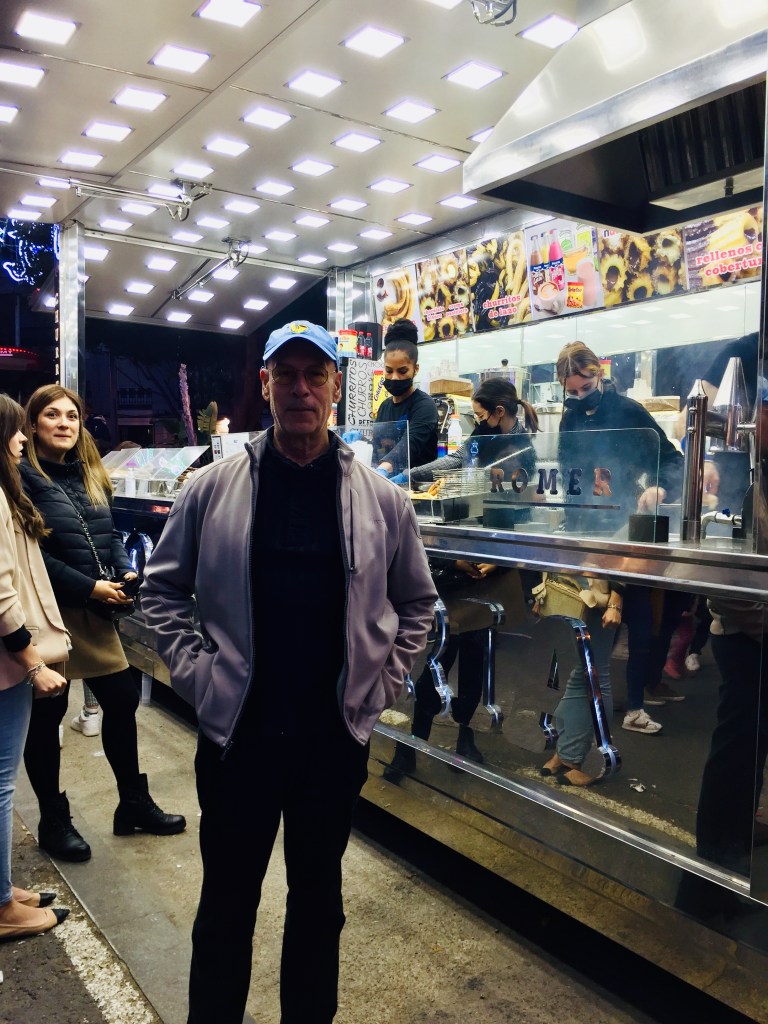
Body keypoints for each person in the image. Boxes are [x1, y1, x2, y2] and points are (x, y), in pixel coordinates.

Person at [140, 319, 437, 1024]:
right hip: (238, 739)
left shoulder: (383, 499)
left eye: (315, 375)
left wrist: (377, 689)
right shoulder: (212, 489)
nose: (301, 389)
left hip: (330, 742)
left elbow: (418, 604)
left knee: (318, 903)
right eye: (286, 375)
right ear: (266, 384)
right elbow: (161, 590)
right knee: (226, 906)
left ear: (335, 387)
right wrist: (200, 678)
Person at [19, 385, 185, 863]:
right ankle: (53, 820)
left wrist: (125, 569)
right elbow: (33, 555)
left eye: (72, 415)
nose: (64, 423)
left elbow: (109, 533)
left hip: (94, 610)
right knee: (47, 715)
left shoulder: (88, 473)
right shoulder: (21, 478)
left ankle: (132, 804)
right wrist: (89, 587)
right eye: (52, 415)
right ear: (32, 424)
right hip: (50, 612)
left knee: (122, 700)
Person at [556, 342, 685, 734]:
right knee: (591, 627)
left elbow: (672, 460)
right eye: (572, 391)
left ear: (600, 374)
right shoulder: (569, 417)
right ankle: (589, 705)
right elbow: (567, 471)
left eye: (586, 386)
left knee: (640, 622)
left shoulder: (629, 411)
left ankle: (634, 707)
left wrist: (660, 488)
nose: (581, 396)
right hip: (586, 531)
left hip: (627, 528)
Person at [0, 394, 70, 941]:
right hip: (6, 665)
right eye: (15, 429)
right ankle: (2, 907)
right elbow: (1, 594)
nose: (22, 438)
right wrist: (31, 664)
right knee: (2, 784)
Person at [394, 376, 538, 487]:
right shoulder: (484, 432)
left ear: (500, 411)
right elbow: (457, 458)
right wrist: (410, 475)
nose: (479, 421)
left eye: (481, 415)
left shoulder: (521, 445)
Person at [373, 318, 438, 477]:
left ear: (415, 369)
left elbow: (409, 444)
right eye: (389, 371)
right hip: (386, 484)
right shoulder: (384, 407)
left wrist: (384, 468)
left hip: (419, 487)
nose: (394, 377)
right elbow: (377, 446)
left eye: (402, 371)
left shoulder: (424, 406)